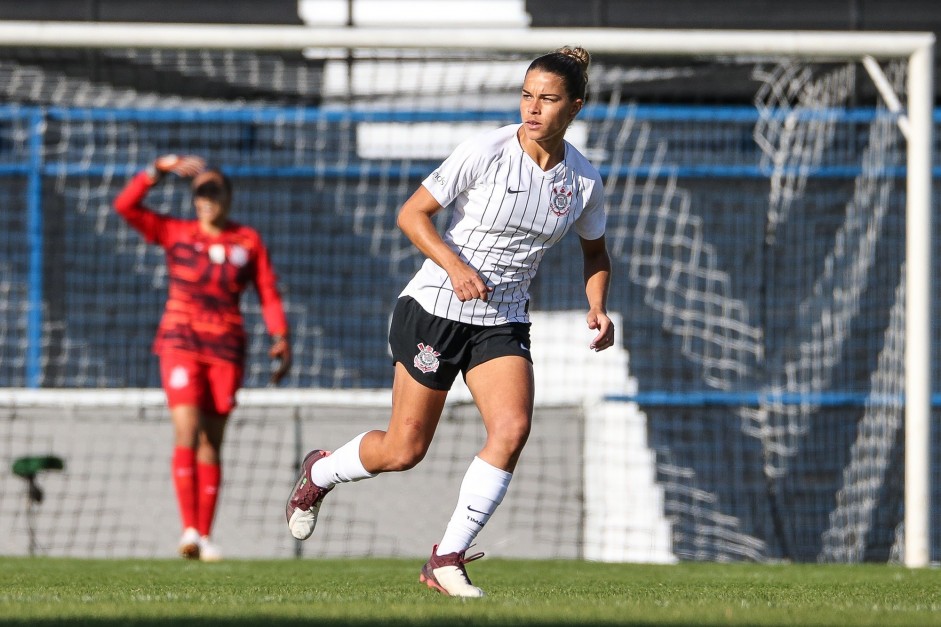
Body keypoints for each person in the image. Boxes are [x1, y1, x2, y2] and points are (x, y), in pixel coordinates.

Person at [285, 46, 612, 596]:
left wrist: (597, 306)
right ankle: (319, 472)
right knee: (403, 450)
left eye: (548, 99)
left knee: (511, 430)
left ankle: (446, 557)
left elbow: (595, 253)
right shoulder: (486, 150)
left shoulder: (582, 181)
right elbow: (411, 214)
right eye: (527, 95)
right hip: (436, 307)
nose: (533, 109)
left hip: (502, 321)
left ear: (575, 106)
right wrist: (456, 266)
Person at [114, 155, 291, 562]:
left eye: (215, 191)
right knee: (186, 431)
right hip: (180, 342)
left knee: (212, 442)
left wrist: (281, 336)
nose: (208, 199)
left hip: (227, 350)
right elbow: (125, 206)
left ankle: (204, 535)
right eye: (201, 192)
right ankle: (188, 529)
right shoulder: (174, 231)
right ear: (193, 199)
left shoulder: (247, 240)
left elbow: (267, 292)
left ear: (228, 197)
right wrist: (155, 171)